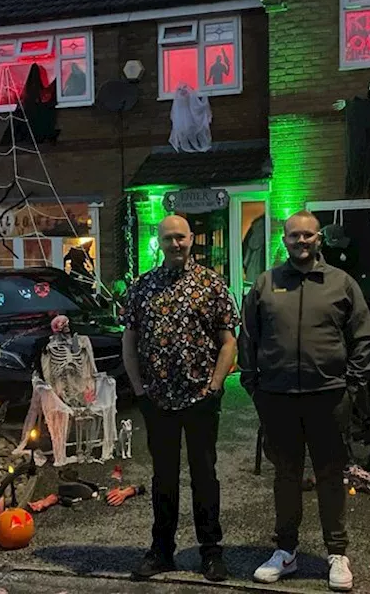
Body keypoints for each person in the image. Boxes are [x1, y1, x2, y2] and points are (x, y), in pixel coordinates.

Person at [239, 210, 370, 592]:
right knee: (286, 477)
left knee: (331, 475)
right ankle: (285, 550)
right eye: (294, 235)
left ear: (318, 240)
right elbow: (248, 336)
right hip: (278, 398)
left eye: (308, 235)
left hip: (328, 397)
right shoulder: (266, 284)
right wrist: (254, 386)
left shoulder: (341, 283)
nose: (301, 241)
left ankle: (337, 553)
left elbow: (362, 336)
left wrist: (352, 386)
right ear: (284, 240)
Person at [121, 214, 238, 582]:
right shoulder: (143, 287)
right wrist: (139, 390)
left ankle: (211, 552)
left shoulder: (211, 284)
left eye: (181, 238)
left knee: (205, 477)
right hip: (157, 401)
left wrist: (216, 386)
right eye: (168, 238)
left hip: (201, 398)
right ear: (159, 241)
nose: (175, 244)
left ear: (191, 239)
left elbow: (228, 341)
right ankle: (162, 551)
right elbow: (130, 340)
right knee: (163, 478)